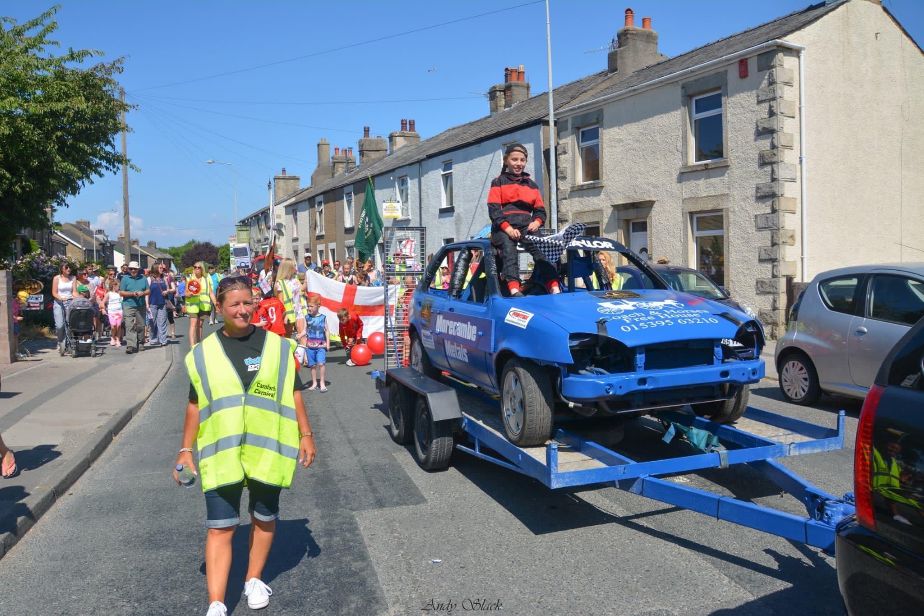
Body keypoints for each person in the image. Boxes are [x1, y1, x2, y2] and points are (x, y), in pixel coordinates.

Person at [173, 276, 316, 616]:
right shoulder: (202, 355)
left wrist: (306, 435)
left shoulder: (278, 346)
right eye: (234, 304)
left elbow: (294, 391)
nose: (242, 310)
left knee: (264, 517)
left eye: (248, 302)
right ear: (218, 308)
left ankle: (253, 579)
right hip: (221, 452)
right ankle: (217, 603)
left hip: (267, 448)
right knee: (221, 527)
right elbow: (194, 404)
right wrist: (185, 450)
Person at [488, 143, 559, 297]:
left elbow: (540, 211)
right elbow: (494, 210)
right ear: (506, 160)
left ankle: (554, 286)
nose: (518, 163)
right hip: (503, 227)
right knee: (509, 250)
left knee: (543, 250)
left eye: (522, 160)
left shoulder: (532, 185)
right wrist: (507, 228)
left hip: (527, 225)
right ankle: (514, 289)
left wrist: (537, 222)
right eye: (514, 160)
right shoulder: (498, 182)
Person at [119, 261, 149, 354]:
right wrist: (133, 293)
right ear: (128, 270)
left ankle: (141, 342)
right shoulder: (125, 279)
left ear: (138, 269)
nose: (133, 270)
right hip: (128, 305)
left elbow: (148, 290)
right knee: (129, 325)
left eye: (134, 269)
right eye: (131, 269)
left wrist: (142, 293)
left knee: (141, 325)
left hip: (141, 305)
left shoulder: (143, 278)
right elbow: (121, 292)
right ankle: (130, 345)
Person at [186, 262, 217, 346]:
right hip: (193, 306)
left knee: (199, 325)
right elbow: (185, 293)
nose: (196, 268)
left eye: (198, 267)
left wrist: (216, 304)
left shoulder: (206, 279)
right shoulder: (190, 279)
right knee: (193, 324)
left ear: (202, 269)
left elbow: (211, 293)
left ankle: (198, 344)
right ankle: (192, 346)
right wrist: (189, 294)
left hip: (203, 305)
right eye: (195, 267)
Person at [304, 296, 329, 391]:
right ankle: (314, 382)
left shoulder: (323, 318)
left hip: (321, 345)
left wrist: (328, 343)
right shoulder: (307, 317)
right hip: (310, 346)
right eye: (308, 306)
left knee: (321, 363)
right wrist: (300, 335)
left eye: (311, 306)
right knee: (312, 365)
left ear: (318, 306)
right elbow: (305, 330)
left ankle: (322, 382)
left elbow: (326, 330)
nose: (309, 308)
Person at [51, 262, 77, 354]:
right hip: (59, 302)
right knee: (60, 325)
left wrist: (78, 297)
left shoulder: (73, 278)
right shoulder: (56, 278)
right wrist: (61, 298)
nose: (68, 269)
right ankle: (61, 342)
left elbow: (74, 292)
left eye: (69, 267)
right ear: (62, 269)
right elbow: (54, 292)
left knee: (69, 324)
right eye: (66, 267)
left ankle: (69, 343)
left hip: (70, 302)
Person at [146, 266, 169, 347]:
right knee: (153, 322)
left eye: (162, 268)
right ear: (155, 269)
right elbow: (147, 292)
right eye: (160, 268)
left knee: (162, 322)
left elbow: (168, 289)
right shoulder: (150, 279)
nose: (162, 269)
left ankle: (163, 340)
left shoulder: (164, 278)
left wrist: (166, 291)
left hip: (162, 303)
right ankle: (153, 338)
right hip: (152, 303)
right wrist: (147, 304)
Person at [274, 259, 298, 332]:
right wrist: (286, 315)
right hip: (288, 314)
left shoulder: (295, 280)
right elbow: (281, 302)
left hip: (299, 311)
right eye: (294, 266)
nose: (295, 268)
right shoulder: (280, 283)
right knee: (288, 334)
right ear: (288, 268)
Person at [105, 279, 124, 347]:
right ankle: (113, 337)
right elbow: (103, 302)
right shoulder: (109, 293)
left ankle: (118, 339)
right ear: (113, 286)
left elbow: (123, 301)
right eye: (118, 286)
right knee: (113, 326)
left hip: (119, 311)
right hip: (111, 312)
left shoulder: (120, 293)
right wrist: (103, 309)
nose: (119, 287)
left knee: (119, 326)